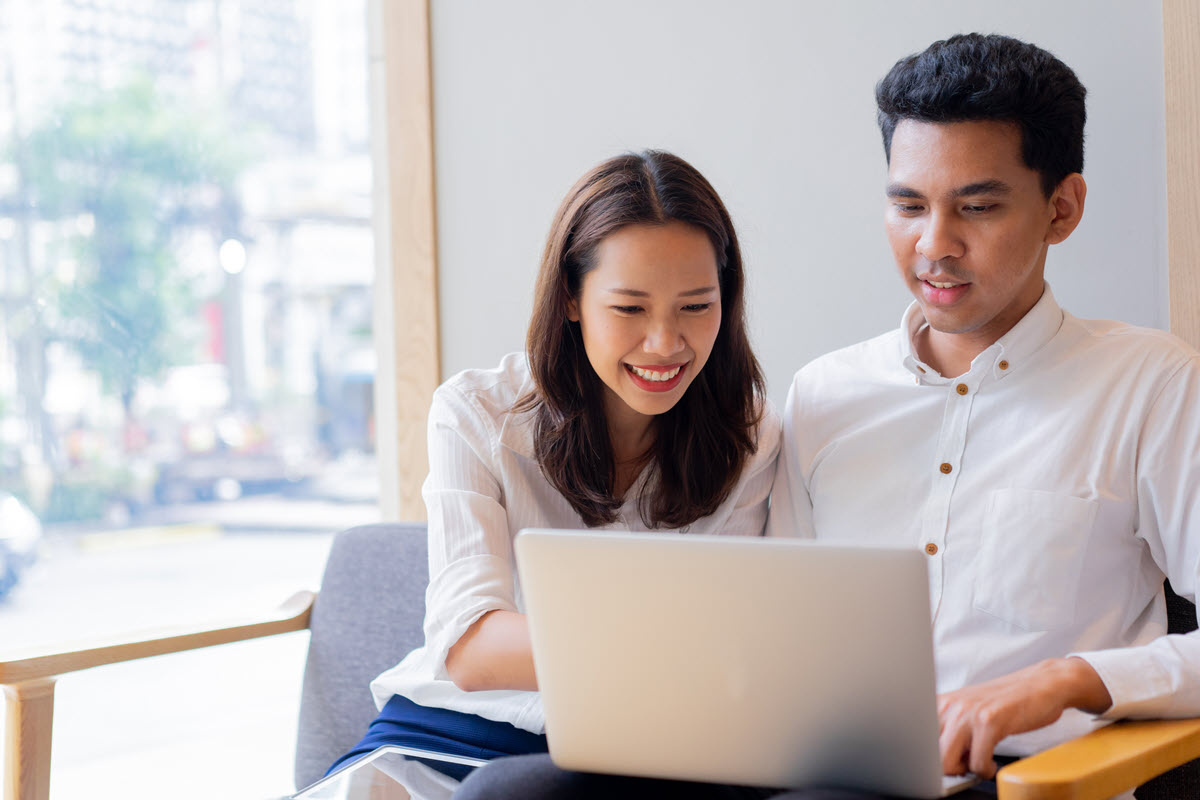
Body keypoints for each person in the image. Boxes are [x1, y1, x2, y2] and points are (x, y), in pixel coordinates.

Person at [456, 33, 1200, 800]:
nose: (933, 244)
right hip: (812, 765)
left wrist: (1069, 681)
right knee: (504, 795)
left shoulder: (1149, 384)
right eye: (908, 205)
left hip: (1021, 776)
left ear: (1062, 208)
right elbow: (771, 631)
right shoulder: (826, 395)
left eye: (976, 207)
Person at [327, 149, 781, 783]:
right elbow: (471, 650)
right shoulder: (476, 412)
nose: (665, 343)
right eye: (629, 309)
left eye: (696, 306)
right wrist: (674, 647)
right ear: (571, 298)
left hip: (626, 748)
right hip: (449, 723)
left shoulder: (749, 434)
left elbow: (729, 651)